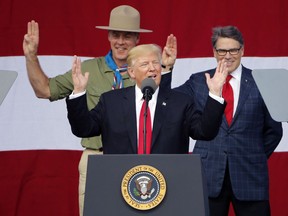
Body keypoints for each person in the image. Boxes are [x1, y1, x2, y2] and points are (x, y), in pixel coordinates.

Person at [22, 5, 176, 216]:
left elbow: (164, 108)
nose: (120, 41)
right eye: (115, 34)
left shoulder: (148, 69)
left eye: (128, 36)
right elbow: (44, 90)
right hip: (97, 158)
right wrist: (31, 56)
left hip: (139, 161)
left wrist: (166, 70)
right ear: (108, 36)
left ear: (137, 39)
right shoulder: (88, 69)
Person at [173, 26, 283, 216]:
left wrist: (253, 154)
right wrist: (166, 70)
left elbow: (274, 131)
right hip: (209, 175)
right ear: (214, 52)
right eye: (222, 50)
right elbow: (171, 102)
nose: (228, 56)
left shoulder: (261, 81)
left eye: (233, 50)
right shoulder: (199, 81)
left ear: (242, 50)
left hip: (250, 175)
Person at [66, 44, 228, 156]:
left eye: (155, 63)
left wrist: (214, 94)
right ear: (131, 72)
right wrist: (79, 92)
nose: (152, 68)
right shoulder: (110, 102)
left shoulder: (180, 103)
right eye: (144, 64)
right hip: (121, 183)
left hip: (168, 183)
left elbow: (205, 132)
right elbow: (83, 129)